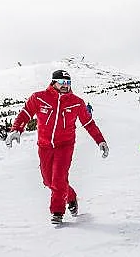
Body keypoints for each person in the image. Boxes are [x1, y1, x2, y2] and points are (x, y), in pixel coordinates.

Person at [6, 70, 109, 224]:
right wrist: (16, 130)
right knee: (48, 181)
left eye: (68, 83)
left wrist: (100, 141)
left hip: (65, 146)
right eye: (61, 82)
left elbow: (88, 123)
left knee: (59, 179)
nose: (65, 86)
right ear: (53, 82)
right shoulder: (39, 97)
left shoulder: (77, 102)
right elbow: (26, 113)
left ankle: (57, 212)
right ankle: (71, 196)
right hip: (45, 146)